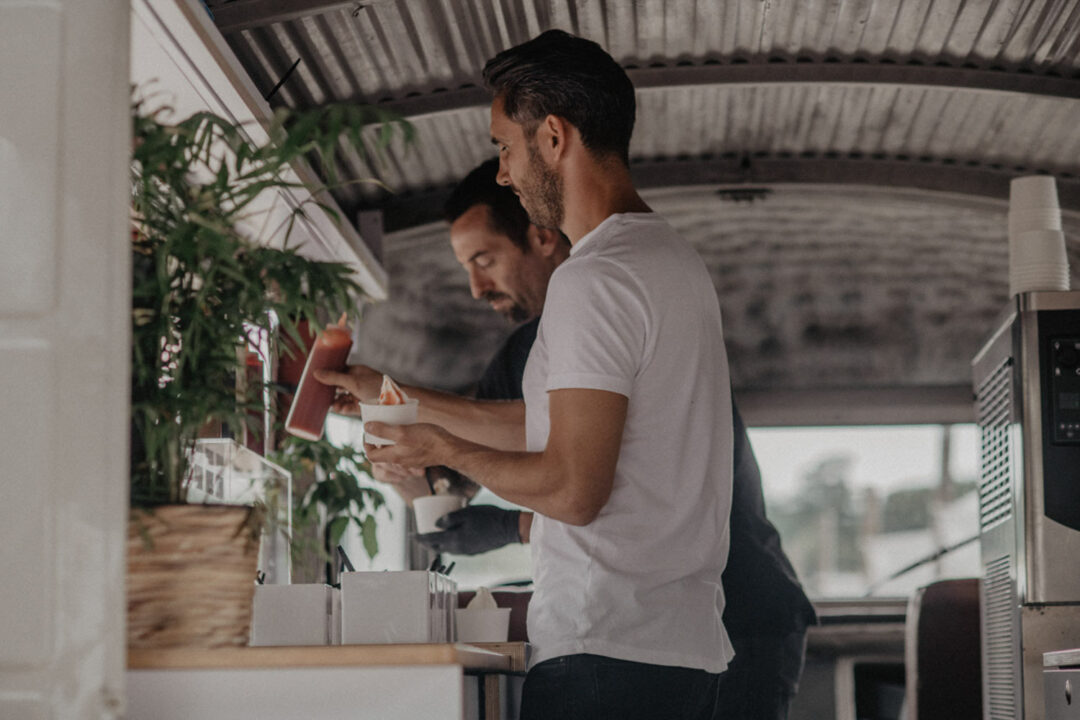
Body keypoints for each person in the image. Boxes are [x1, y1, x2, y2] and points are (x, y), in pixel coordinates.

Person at [319, 29, 734, 719]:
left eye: (503, 148)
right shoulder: (668, 260)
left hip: (605, 655)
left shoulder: (594, 279)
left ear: (552, 137)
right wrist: (394, 397)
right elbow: (545, 424)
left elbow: (574, 492)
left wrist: (441, 449)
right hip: (674, 655)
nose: (504, 173)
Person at [407, 158, 818, 719]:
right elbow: (454, 485)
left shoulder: (610, 296)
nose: (477, 288)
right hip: (676, 623)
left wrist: (504, 517)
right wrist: (413, 460)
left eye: (485, 260)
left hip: (729, 606)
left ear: (542, 236)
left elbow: (588, 488)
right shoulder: (528, 351)